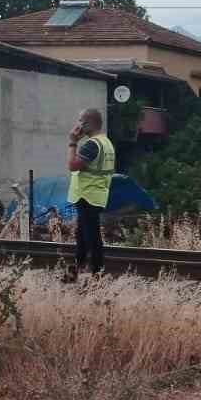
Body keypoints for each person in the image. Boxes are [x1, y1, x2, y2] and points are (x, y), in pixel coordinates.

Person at [66, 107, 115, 278]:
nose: (78, 124)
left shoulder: (92, 145)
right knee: (82, 234)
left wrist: (72, 142)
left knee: (91, 236)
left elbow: (72, 165)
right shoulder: (105, 142)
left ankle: (97, 274)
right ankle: (76, 270)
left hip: (88, 195)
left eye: (80, 121)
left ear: (89, 123)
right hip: (96, 194)